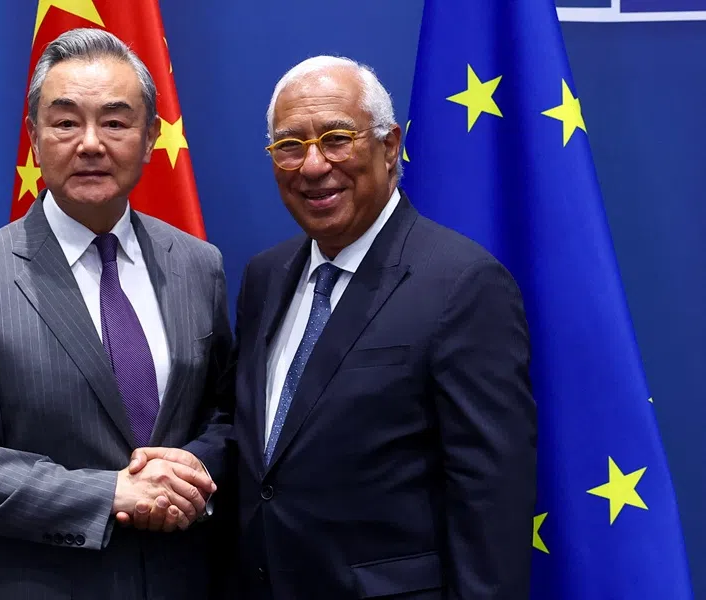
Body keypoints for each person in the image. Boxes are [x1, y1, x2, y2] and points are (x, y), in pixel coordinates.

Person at [0, 28, 233, 600]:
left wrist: (188, 473)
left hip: (184, 580)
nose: (90, 143)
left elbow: (226, 416)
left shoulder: (197, 265)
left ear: (151, 136)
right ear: (35, 138)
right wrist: (110, 493)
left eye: (115, 121)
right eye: (65, 122)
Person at [226, 56, 536, 599]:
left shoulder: (462, 284)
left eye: (337, 138)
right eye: (290, 145)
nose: (314, 165)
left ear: (390, 147)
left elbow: (491, 498)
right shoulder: (264, 278)